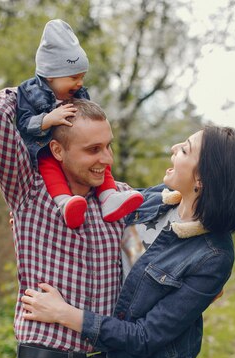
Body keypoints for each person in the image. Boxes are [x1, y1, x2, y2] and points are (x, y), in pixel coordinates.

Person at [20, 126, 235, 358]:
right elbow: (88, 203)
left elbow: (146, 337)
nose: (174, 147)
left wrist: (64, 313)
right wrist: (32, 215)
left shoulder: (214, 255)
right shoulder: (153, 200)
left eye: (185, 149)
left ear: (201, 178)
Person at [0, 92, 138, 358]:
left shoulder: (118, 198)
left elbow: (175, 207)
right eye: (93, 149)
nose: (106, 159)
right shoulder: (28, 191)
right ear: (58, 150)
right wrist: (49, 90)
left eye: (108, 146)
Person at [17, 19, 142, 229]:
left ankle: (109, 196)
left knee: (101, 156)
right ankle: (65, 202)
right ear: (50, 76)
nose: (80, 83)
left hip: (73, 143)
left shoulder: (79, 93)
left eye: (82, 77)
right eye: (74, 77)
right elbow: (23, 123)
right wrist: (47, 120)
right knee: (49, 165)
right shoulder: (30, 92)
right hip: (45, 147)